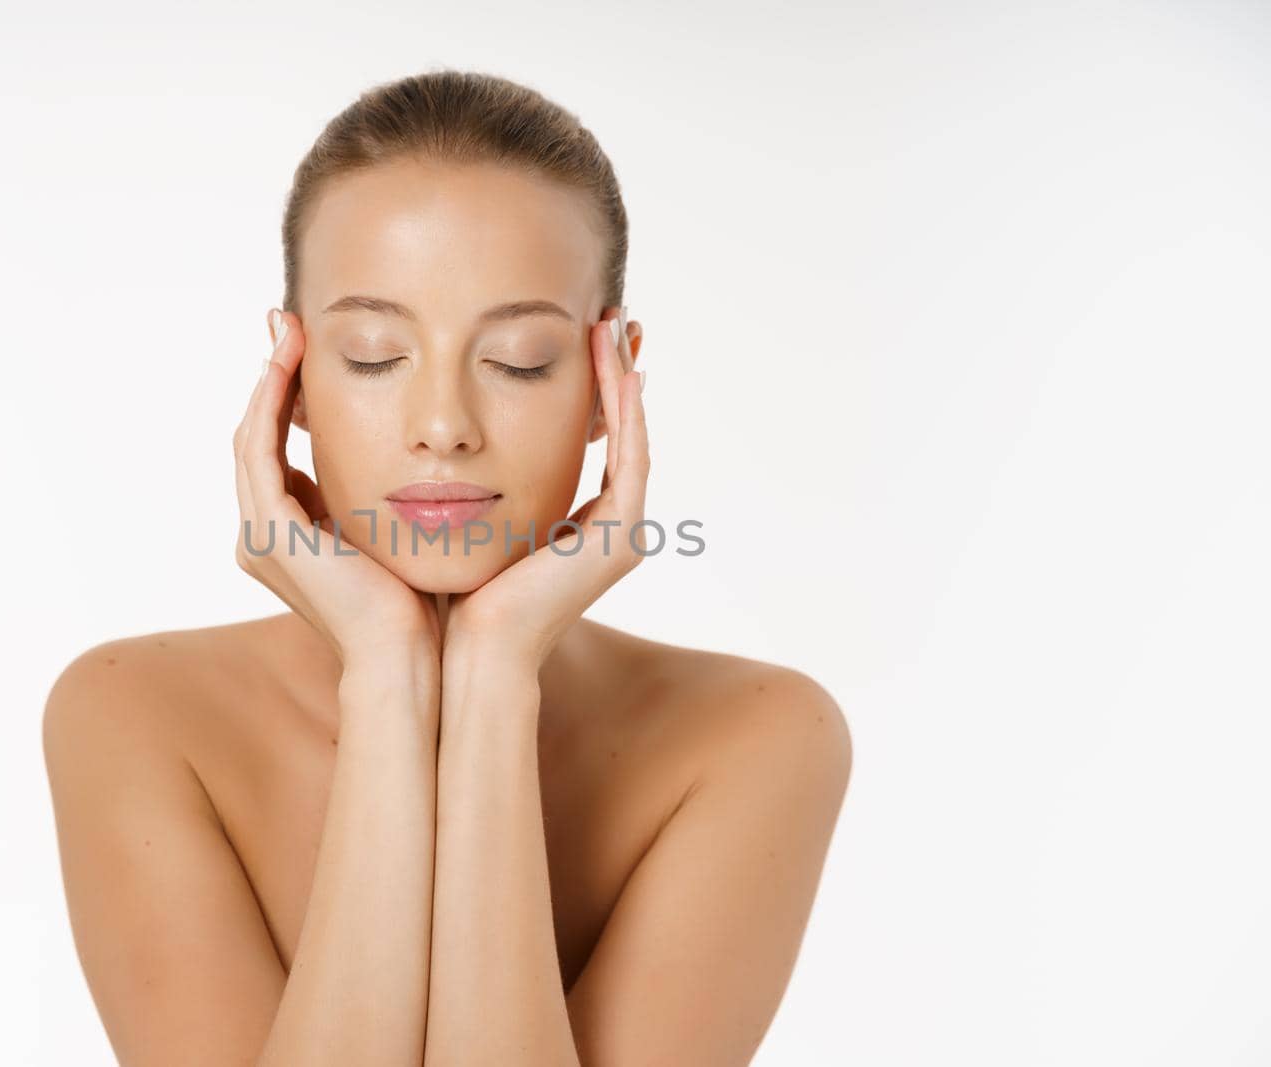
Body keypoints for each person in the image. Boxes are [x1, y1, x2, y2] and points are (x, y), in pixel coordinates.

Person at [43, 68, 852, 1066]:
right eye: (377, 355)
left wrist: (493, 673)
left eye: (517, 360)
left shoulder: (755, 737)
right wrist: (385, 671)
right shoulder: (132, 713)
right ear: (290, 380)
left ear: (612, 383)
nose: (441, 428)